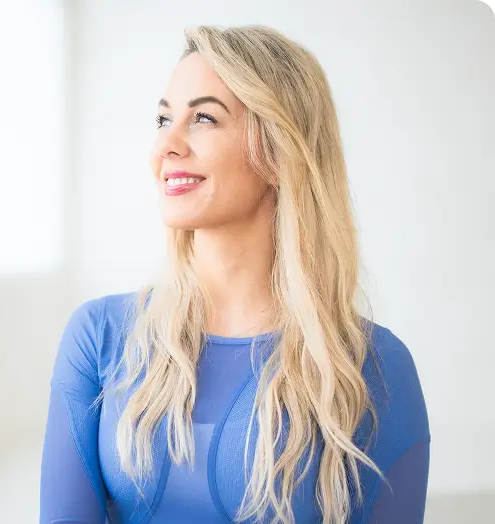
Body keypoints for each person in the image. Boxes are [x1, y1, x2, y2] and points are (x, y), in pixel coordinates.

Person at [40, 25, 430, 524]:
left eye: (203, 118)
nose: (166, 145)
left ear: (278, 151)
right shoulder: (100, 337)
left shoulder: (376, 369)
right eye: (163, 119)